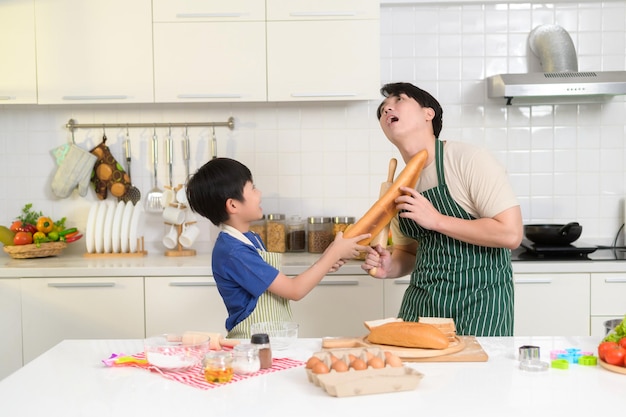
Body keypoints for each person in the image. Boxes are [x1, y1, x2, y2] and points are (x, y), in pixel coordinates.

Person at [362, 82, 523, 337]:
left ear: (429, 114)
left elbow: (511, 234)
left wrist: (436, 220)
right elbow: (410, 252)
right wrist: (390, 266)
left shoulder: (466, 159)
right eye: (382, 109)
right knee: (417, 375)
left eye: (399, 100)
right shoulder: (399, 184)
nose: (386, 108)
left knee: (477, 376)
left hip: (480, 305)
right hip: (422, 304)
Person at [185, 157, 372, 338]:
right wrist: (332, 254)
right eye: (253, 188)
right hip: (252, 343)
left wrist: (326, 262)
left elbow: (279, 285)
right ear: (233, 205)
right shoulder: (234, 252)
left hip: (272, 338)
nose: (259, 194)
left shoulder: (249, 239)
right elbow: (294, 290)